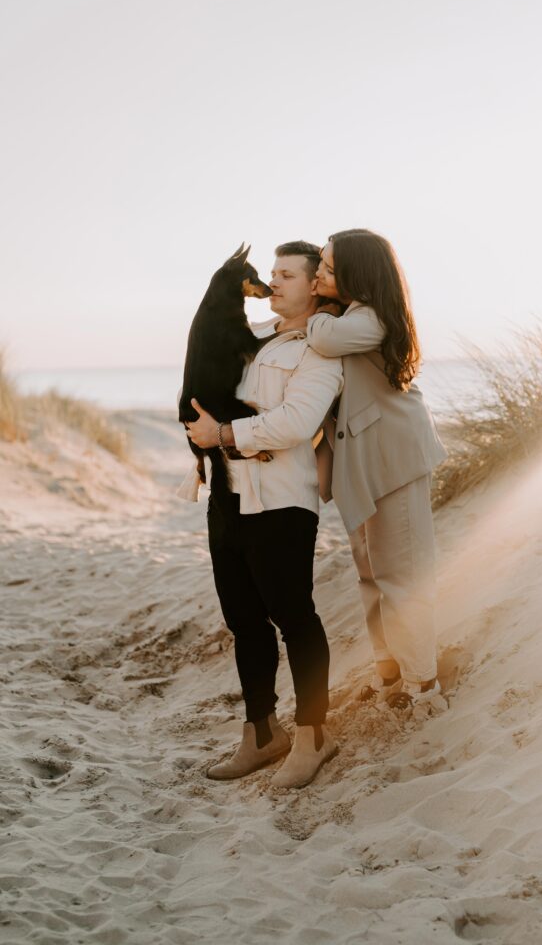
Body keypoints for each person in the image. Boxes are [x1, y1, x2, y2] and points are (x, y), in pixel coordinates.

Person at [185, 241, 343, 788]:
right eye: (270, 273)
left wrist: (223, 434)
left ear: (315, 286)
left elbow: (297, 422)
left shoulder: (320, 351)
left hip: (281, 502)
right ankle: (261, 733)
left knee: (294, 618)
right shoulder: (255, 342)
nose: (273, 283)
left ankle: (314, 735)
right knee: (244, 621)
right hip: (229, 498)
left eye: (287, 275)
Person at [308, 228, 447, 708]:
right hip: (364, 463)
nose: (318, 275)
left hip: (394, 460)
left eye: (326, 267)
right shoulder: (350, 315)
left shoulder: (370, 318)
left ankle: (423, 685)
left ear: (355, 272)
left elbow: (323, 339)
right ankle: (390, 671)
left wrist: (313, 314)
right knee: (371, 575)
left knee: (402, 575)